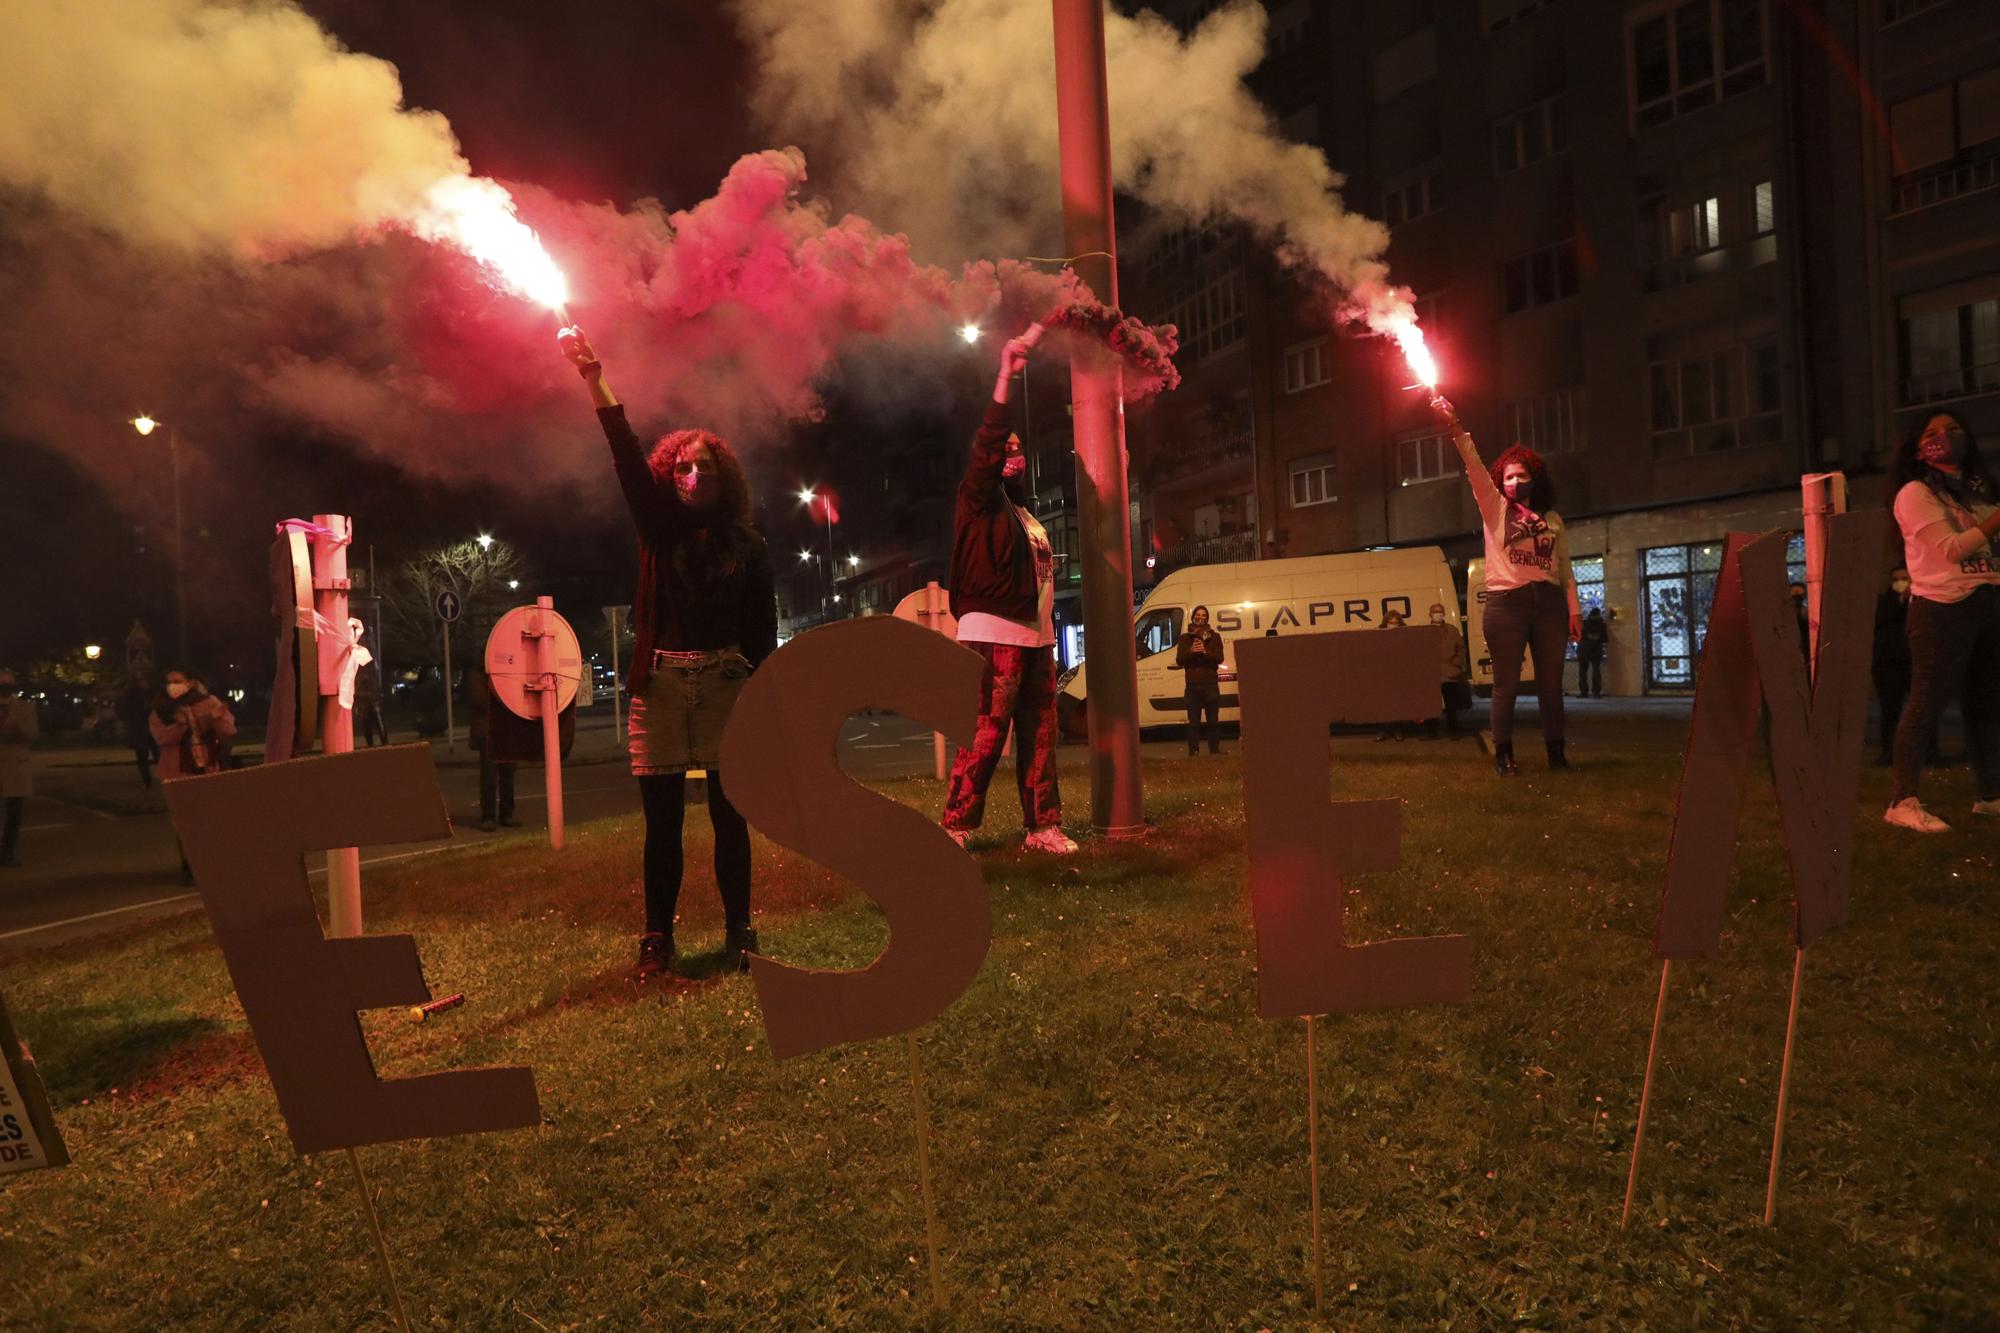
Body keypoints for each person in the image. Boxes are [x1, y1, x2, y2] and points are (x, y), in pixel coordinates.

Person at [559, 323, 778, 977]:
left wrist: (764, 702)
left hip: (725, 686)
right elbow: (624, 451)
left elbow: (762, 635)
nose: (689, 475)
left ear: (722, 477)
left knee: (729, 816)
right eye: (680, 466)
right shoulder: (656, 530)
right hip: (659, 685)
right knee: (662, 824)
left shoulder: (750, 547)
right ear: (668, 474)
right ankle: (657, 937)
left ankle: (741, 929)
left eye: (702, 467)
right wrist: (593, 376)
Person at [939, 328, 1077, 854]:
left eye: (1020, 448)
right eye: (1006, 449)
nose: (1012, 454)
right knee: (986, 734)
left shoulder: (1024, 513)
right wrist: (1005, 377)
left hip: (1036, 637)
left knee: (1041, 735)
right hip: (993, 634)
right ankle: (955, 827)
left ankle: (1042, 827)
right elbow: (988, 441)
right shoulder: (977, 499)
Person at [1432, 397, 1581, 774]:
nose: (1514, 481)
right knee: (1507, 686)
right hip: (1505, 606)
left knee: (1550, 686)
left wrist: (1574, 609)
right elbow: (1473, 464)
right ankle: (1504, 757)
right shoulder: (1494, 508)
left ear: (1535, 476)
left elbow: (1563, 567)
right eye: (1509, 476)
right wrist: (1454, 425)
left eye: (1521, 475)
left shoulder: (1551, 519)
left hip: (1548, 604)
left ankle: (1556, 755)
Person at [1882, 410, 2000, 833]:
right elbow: (1952, 549)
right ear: (1918, 449)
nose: (1945, 438)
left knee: (1985, 704)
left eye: (1952, 429)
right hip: (1941, 606)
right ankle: (1903, 801)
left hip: (1987, 600)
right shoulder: (1915, 493)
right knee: (1925, 704)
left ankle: (1990, 795)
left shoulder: (1979, 491)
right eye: (1932, 433)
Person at [150, 666, 237, 882]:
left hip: (207, 769)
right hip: (176, 771)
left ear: (189, 682)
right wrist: (179, 725)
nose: (172, 686)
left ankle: (212, 863)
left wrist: (216, 718)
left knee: (210, 820)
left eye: (177, 680)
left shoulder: (208, 702)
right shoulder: (162, 708)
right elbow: (161, 738)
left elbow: (229, 731)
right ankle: (189, 866)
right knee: (184, 823)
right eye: (168, 681)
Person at [467, 663, 518, 834]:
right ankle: (488, 816)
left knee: (508, 774)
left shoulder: (504, 673)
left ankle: (506, 813)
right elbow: (480, 700)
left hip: (506, 730)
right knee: (489, 776)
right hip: (488, 732)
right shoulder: (478, 675)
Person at [1872, 567, 1913, 767]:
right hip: (1888, 664)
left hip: (1914, 661)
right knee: (1890, 711)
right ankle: (1888, 753)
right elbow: (1879, 621)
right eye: (1896, 579)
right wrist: (1899, 602)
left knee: (1922, 709)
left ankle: (1929, 754)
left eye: (1904, 578)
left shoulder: (1919, 601)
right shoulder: (1884, 601)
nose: (1900, 582)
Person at [1176, 604, 1225, 755]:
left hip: (1210, 684)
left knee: (1213, 722)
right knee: (1194, 723)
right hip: (1192, 685)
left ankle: (1214, 751)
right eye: (1198, 615)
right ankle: (1194, 752)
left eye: (1204, 615)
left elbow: (1219, 658)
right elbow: (1179, 660)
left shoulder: (1214, 637)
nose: (1201, 617)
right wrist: (1191, 651)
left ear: (1207, 619)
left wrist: (1205, 652)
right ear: (1193, 617)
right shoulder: (1185, 638)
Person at [0, 669, 37, 869]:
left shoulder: (25, 708)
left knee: (14, 813)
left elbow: (32, 734)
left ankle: (7, 851)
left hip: (16, 764)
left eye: (8, 683)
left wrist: (15, 727)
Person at [1430, 603, 1472, 738]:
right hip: (1432, 673)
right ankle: (1433, 731)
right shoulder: (1425, 631)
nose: (1438, 614)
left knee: (1451, 705)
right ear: (1430, 614)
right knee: (1432, 705)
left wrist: (1456, 664)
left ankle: (1453, 731)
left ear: (1444, 614)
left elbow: (1461, 648)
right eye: (1435, 612)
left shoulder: (1452, 630)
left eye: (1440, 611)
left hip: (1449, 673)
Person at [118, 679, 159, 788]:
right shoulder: (134, 698)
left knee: (153, 756)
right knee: (144, 757)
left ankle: (152, 779)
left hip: (148, 730)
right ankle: (147, 780)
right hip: (142, 730)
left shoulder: (148, 696)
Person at [1577, 607, 1608, 698]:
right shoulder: (1602, 624)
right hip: (1596, 650)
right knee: (1596, 671)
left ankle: (1584, 692)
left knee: (1582, 672)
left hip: (1583, 649)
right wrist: (1597, 638)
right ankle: (1596, 692)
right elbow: (1605, 639)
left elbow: (1579, 636)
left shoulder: (1584, 623)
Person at [355, 664, 388, 747]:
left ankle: (379, 743)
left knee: (377, 726)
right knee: (371, 727)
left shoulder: (370, 683)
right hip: (369, 707)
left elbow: (379, 694)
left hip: (372, 706)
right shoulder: (367, 683)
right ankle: (376, 744)